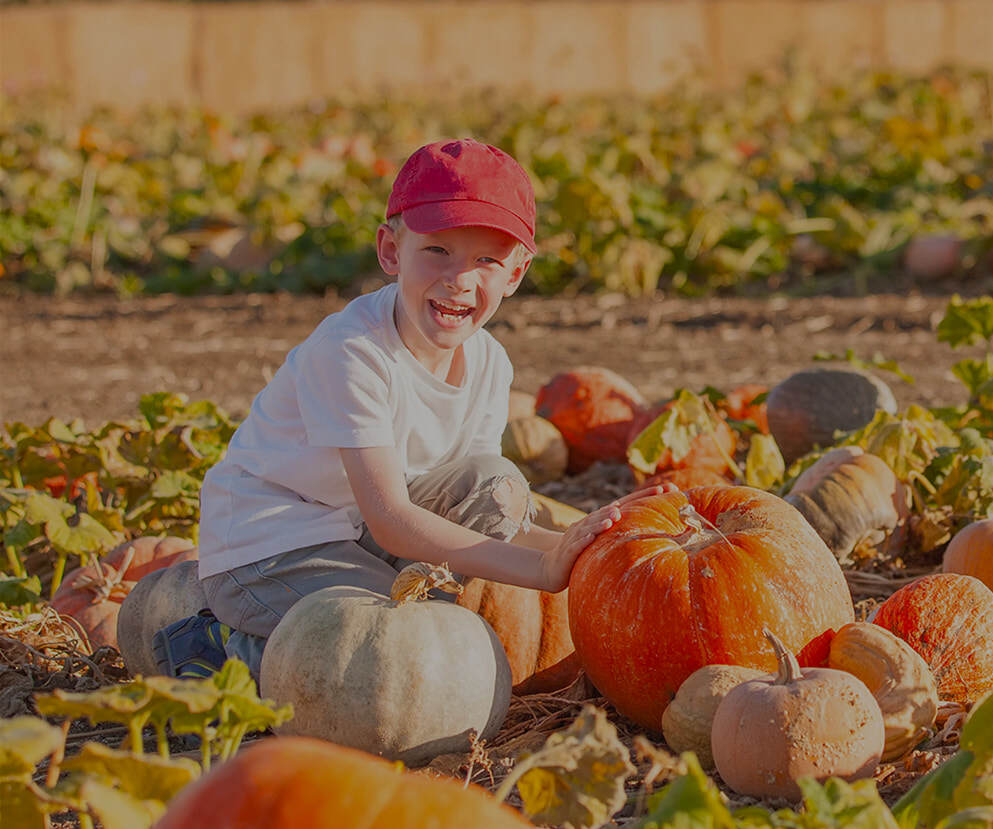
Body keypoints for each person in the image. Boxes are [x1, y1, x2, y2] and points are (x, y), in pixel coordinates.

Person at [153, 139, 660, 678]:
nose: (459, 278)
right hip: (269, 549)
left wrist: (587, 550)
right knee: (396, 650)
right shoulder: (352, 352)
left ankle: (360, 648)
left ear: (515, 274)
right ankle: (221, 648)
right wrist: (541, 567)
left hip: (352, 538)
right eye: (437, 251)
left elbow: (494, 518)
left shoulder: (489, 362)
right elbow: (393, 520)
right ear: (391, 251)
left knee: (493, 484)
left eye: (486, 259)